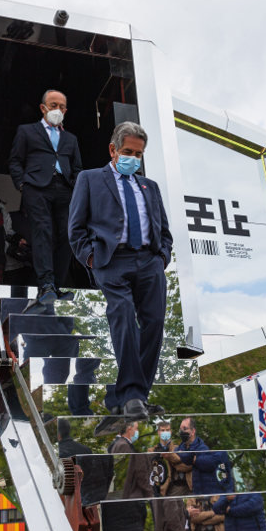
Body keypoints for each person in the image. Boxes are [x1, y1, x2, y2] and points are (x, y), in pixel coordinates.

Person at [68, 121, 173, 436]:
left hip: (149, 262)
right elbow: (75, 228)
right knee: (124, 314)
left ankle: (131, 396)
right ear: (113, 150)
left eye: (139, 154)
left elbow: (163, 229)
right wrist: (91, 258)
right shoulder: (89, 179)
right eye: (128, 152)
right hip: (112, 261)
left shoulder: (149, 187)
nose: (134, 159)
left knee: (154, 323)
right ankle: (130, 395)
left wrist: (162, 257)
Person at [9, 89, 83, 312]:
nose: (57, 110)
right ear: (43, 108)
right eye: (53, 105)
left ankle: (57, 285)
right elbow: (15, 161)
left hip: (65, 189)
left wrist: (76, 186)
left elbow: (78, 167)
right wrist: (23, 184)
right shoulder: (26, 131)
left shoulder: (71, 139)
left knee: (68, 235)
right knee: (43, 231)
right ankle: (46, 284)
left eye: (61, 107)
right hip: (37, 188)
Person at [100, 421, 150, 531]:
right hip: (126, 505)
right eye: (136, 428)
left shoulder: (119, 444)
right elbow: (128, 473)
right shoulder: (123, 446)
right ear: (129, 429)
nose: (137, 432)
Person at [169, 417, 234, 495]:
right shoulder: (182, 445)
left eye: (185, 429)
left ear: (193, 431)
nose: (181, 432)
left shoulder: (202, 449)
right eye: (180, 429)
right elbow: (178, 456)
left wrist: (181, 458)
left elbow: (185, 464)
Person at [57, 417, 112, 507]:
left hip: (69, 503)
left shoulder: (58, 452)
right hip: (87, 499)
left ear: (58, 435)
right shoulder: (85, 449)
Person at [149, 421, 188, 531]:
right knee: (160, 527)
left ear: (170, 431)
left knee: (176, 524)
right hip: (157, 494)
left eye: (167, 430)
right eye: (162, 430)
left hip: (174, 492)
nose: (165, 432)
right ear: (158, 432)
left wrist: (170, 456)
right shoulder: (151, 451)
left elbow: (185, 466)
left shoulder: (178, 449)